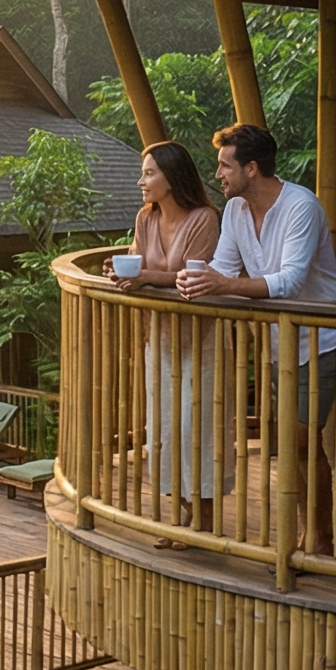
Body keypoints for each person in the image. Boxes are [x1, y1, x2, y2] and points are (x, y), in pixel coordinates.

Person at [177, 121, 336, 555]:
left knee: (302, 440)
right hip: (278, 345)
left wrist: (220, 285)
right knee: (294, 444)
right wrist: (194, 282)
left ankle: (318, 537)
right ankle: (316, 536)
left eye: (224, 165)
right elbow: (223, 267)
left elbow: (288, 281)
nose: (218, 174)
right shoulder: (234, 212)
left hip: (319, 339)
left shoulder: (300, 207)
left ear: (251, 168)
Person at [113, 142, 223, 540]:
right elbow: (137, 261)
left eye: (149, 173)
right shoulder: (147, 218)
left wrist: (144, 278)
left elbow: (193, 279)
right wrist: (124, 273)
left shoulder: (205, 219)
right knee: (160, 428)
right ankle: (184, 516)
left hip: (199, 338)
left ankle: (204, 519)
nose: (142, 181)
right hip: (157, 336)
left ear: (172, 178)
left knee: (195, 428)